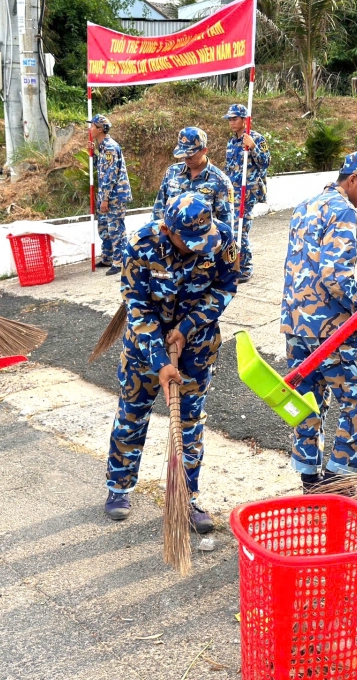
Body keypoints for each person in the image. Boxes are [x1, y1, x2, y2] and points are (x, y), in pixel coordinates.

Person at [104, 192, 239, 534]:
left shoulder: (221, 238)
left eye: (201, 240)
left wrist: (187, 327)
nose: (196, 247)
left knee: (190, 425)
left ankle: (186, 497)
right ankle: (119, 488)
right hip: (145, 351)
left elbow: (224, 288)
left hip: (196, 348)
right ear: (167, 229)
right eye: (187, 241)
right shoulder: (140, 245)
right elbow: (136, 306)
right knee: (132, 415)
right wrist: (161, 360)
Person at [281, 151, 357, 492]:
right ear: (353, 179)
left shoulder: (307, 205)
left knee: (307, 402)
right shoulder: (342, 210)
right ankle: (339, 482)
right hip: (331, 328)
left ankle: (310, 480)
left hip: (297, 324)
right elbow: (335, 277)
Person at [152, 126, 235, 237]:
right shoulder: (172, 172)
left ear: (204, 150)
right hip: (172, 242)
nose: (186, 158)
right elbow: (159, 209)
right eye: (183, 154)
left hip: (202, 244)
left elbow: (226, 222)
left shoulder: (220, 181)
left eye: (191, 154)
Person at [223, 103, 270, 282]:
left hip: (248, 191)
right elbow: (229, 167)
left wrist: (252, 147)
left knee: (240, 230)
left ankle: (245, 266)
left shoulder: (256, 138)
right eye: (230, 120)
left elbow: (265, 163)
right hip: (232, 192)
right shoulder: (232, 141)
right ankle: (234, 264)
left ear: (245, 120)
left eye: (235, 119)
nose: (231, 123)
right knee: (231, 228)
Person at [91, 113, 133, 275]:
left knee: (115, 228)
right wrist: (92, 154)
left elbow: (110, 174)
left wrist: (105, 198)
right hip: (106, 195)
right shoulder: (102, 147)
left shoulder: (110, 147)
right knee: (104, 227)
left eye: (93, 126)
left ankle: (120, 261)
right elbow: (100, 168)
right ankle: (108, 257)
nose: (90, 129)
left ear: (100, 129)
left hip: (114, 195)